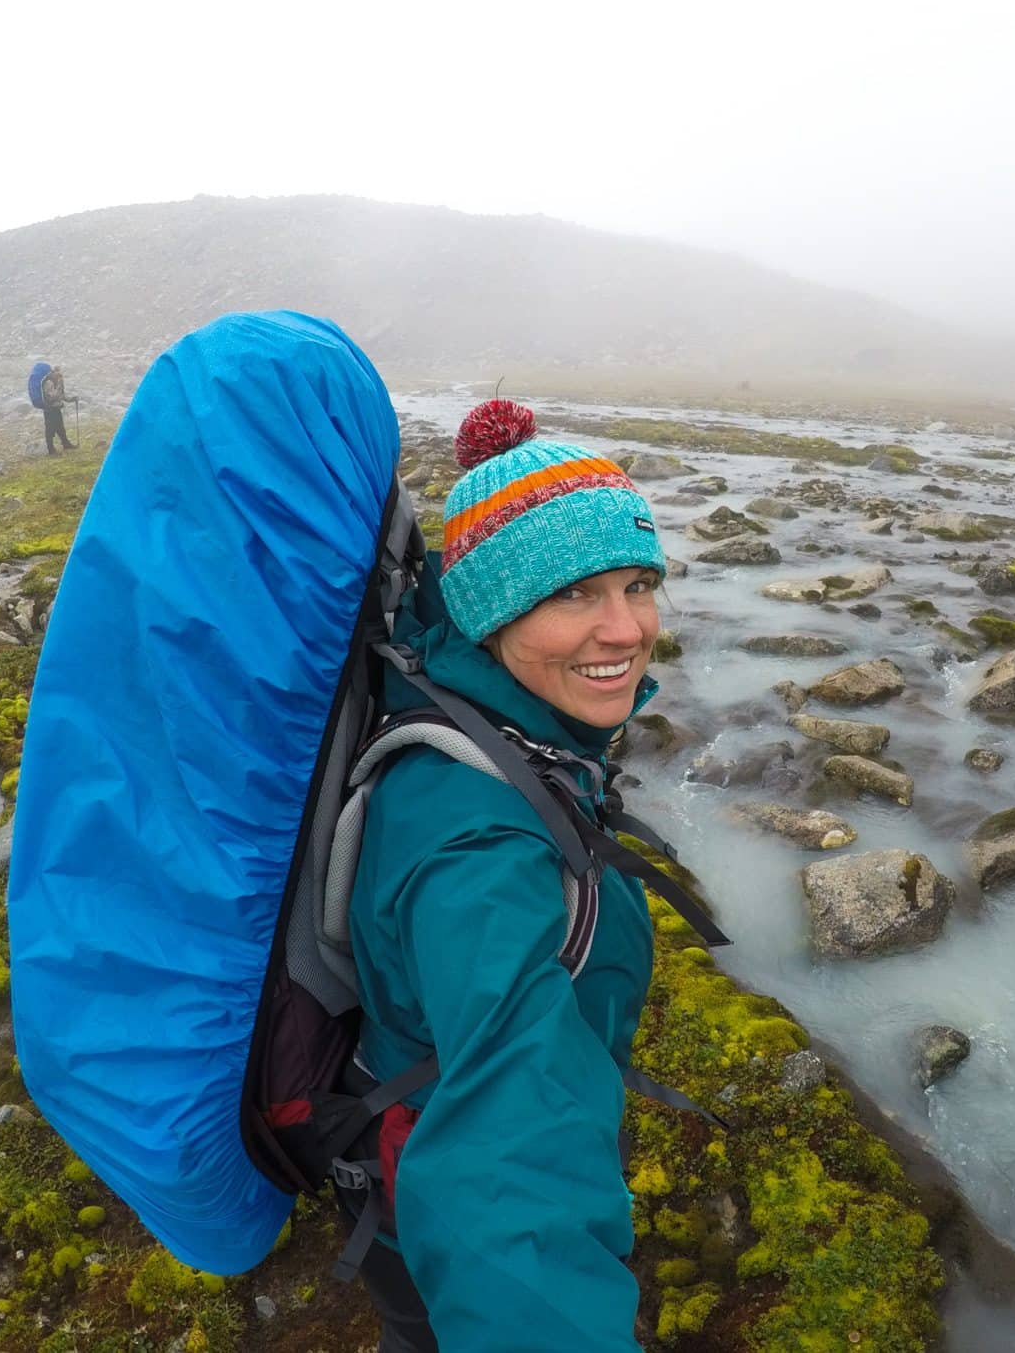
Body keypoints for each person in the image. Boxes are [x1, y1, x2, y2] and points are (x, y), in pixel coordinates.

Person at [347, 398, 667, 1351]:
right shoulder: (476, 849)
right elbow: (506, 1178)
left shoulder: (504, 722)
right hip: (424, 1183)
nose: (626, 629)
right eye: (573, 594)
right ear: (490, 609)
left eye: (638, 582)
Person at [41, 365, 76, 454]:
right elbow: (51, 397)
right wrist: (59, 386)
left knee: (60, 428)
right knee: (50, 430)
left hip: (56, 408)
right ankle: (51, 449)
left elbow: (62, 395)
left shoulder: (57, 382)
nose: (59, 375)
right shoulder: (48, 383)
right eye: (57, 373)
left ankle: (66, 444)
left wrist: (71, 399)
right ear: (53, 373)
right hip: (49, 410)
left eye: (60, 373)